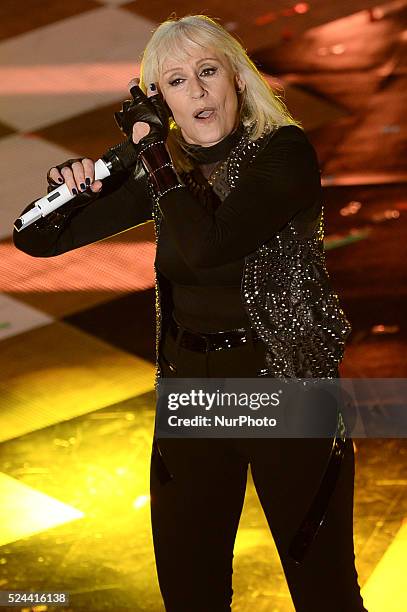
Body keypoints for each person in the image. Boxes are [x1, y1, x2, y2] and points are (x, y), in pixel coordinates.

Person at [13, 14, 368, 612]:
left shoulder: (283, 154)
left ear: (237, 79)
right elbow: (36, 241)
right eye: (177, 81)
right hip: (192, 396)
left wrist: (150, 154)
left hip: (284, 392)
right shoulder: (166, 168)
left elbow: (209, 248)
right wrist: (80, 186)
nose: (198, 90)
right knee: (190, 593)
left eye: (208, 72)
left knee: (324, 594)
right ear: (161, 100)